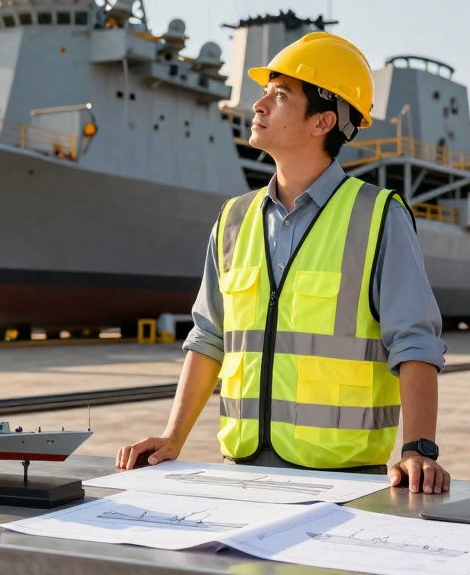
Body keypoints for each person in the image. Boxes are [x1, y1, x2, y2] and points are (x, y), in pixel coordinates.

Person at [117, 32, 450, 494]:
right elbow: (209, 337)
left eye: (280, 95)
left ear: (323, 122)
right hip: (241, 473)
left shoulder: (377, 216)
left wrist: (418, 450)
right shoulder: (234, 218)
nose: (258, 105)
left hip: (342, 482)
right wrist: (173, 438)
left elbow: (414, 342)